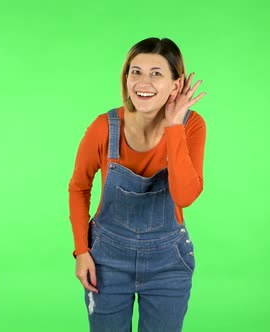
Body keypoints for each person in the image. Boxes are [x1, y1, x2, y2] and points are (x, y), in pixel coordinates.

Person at [68, 37, 207, 332]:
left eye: (156, 73)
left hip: (168, 263)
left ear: (176, 84)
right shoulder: (104, 127)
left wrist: (173, 126)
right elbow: (79, 186)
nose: (143, 82)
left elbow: (184, 195)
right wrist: (82, 251)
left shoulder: (191, 126)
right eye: (136, 72)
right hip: (106, 261)